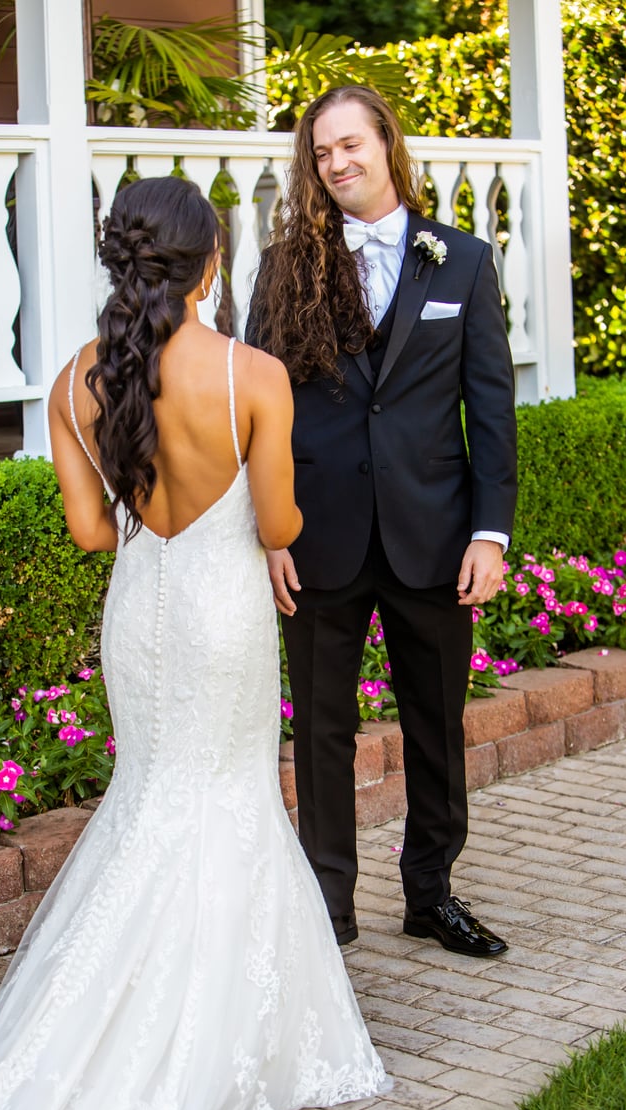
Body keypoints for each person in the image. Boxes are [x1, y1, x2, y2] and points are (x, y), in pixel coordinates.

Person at [0, 176, 388, 1110]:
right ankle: (218, 1041)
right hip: (222, 616)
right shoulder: (252, 374)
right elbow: (279, 526)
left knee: (154, 798)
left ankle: (131, 1018)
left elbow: (90, 532)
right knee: (229, 799)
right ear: (210, 263)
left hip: (141, 616)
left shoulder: (77, 379)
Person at [246, 86, 517, 957]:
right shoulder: (284, 266)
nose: (337, 163)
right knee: (320, 732)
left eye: (350, 144)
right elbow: (255, 409)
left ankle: (430, 894)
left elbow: (491, 407)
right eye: (321, 152)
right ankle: (328, 910)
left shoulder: (462, 261)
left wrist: (490, 532)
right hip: (316, 536)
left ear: (385, 143)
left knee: (436, 725)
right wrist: (270, 531)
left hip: (432, 535)